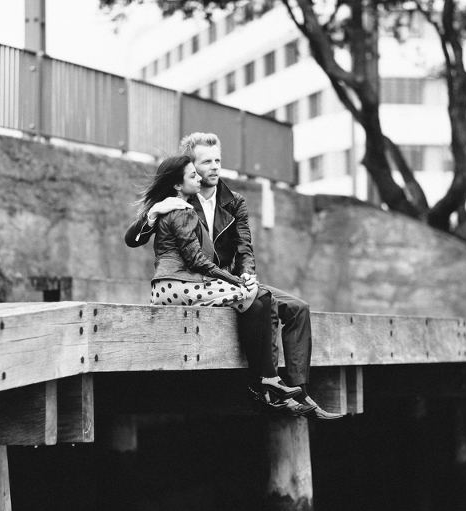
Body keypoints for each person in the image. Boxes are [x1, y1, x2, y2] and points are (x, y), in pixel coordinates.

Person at [126, 133, 342, 420]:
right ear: (190, 166)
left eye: (218, 160)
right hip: (197, 281)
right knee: (263, 301)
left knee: (298, 308)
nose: (215, 167)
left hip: (229, 279)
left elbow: (244, 246)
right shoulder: (177, 202)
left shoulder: (234, 201)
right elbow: (133, 240)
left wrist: (248, 274)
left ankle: (299, 393)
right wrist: (153, 212)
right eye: (207, 162)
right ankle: (272, 388)